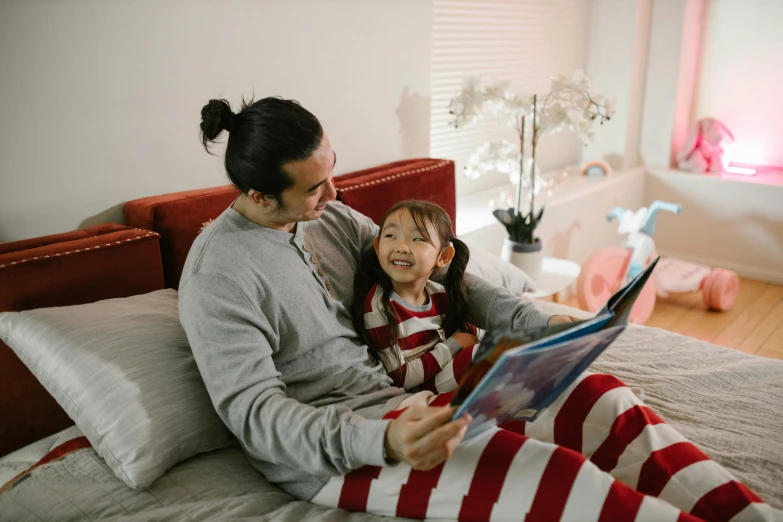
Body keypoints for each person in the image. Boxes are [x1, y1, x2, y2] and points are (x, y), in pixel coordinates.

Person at [179, 95, 774, 521]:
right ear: (257, 195)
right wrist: (380, 443)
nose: (336, 196)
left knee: (603, 400)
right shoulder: (218, 278)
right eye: (314, 188)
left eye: (333, 171)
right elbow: (255, 416)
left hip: (412, 397)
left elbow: (442, 275)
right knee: (557, 479)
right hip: (338, 449)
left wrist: (542, 322)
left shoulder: (328, 218)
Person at [353, 199, 479, 394]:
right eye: (391, 235)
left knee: (504, 346)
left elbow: (467, 332)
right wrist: (454, 345)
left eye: (418, 239)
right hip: (420, 387)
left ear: (443, 256)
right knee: (484, 357)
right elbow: (400, 378)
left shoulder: (439, 293)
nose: (402, 247)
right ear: (378, 247)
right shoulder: (379, 307)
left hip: (445, 369)